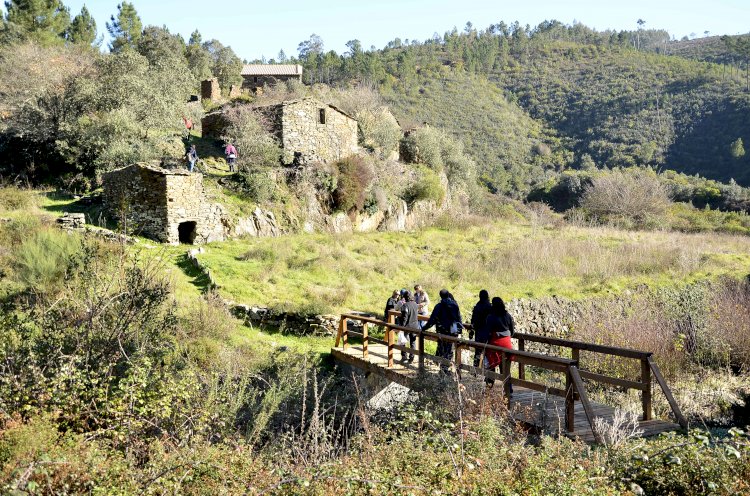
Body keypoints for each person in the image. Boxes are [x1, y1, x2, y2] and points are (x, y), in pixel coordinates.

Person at [423, 289, 463, 370]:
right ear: (448, 295)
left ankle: (443, 368)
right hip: (452, 331)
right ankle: (445, 368)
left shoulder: (439, 306)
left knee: (442, 348)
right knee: (449, 350)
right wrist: (459, 330)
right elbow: (459, 318)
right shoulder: (455, 305)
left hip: (441, 331)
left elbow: (432, 319)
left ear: (440, 296)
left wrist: (424, 328)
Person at [484, 297, 515, 391]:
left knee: (491, 366)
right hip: (507, 344)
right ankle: (508, 389)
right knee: (506, 369)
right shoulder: (508, 315)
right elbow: (512, 331)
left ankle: (489, 387)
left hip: (495, 344)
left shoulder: (490, 317)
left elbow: (487, 333)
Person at [470, 290, 493, 368]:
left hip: (479, 332)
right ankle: (488, 375)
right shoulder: (490, 307)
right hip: (488, 333)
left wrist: (472, 330)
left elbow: (473, 320)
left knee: (478, 352)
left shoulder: (477, 306)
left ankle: (475, 370)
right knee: (489, 353)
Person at [400, 290, 420, 363]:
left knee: (403, 341)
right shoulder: (415, 304)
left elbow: (404, 317)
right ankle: (411, 358)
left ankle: (404, 357)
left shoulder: (405, 305)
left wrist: (402, 327)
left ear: (405, 297)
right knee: (413, 342)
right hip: (415, 325)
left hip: (407, 326)